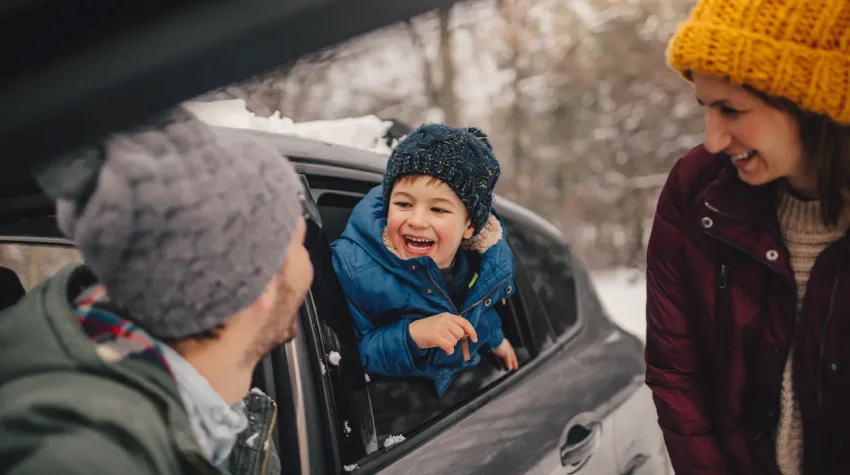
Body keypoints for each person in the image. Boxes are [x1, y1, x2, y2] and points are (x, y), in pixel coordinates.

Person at [0, 107, 313, 475]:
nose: (309, 261)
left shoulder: (191, 418)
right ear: (259, 281)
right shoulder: (87, 460)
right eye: (299, 241)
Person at [644, 1, 850, 474]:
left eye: (731, 109)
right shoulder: (696, 192)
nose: (713, 139)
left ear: (812, 102)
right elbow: (678, 374)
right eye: (705, 108)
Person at [331, 124, 518, 398]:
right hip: (395, 409)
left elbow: (477, 312)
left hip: (460, 395)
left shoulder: (476, 268)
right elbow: (344, 356)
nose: (417, 221)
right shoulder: (354, 270)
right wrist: (412, 336)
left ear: (469, 227)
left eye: (438, 209)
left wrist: (495, 341)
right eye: (403, 204)